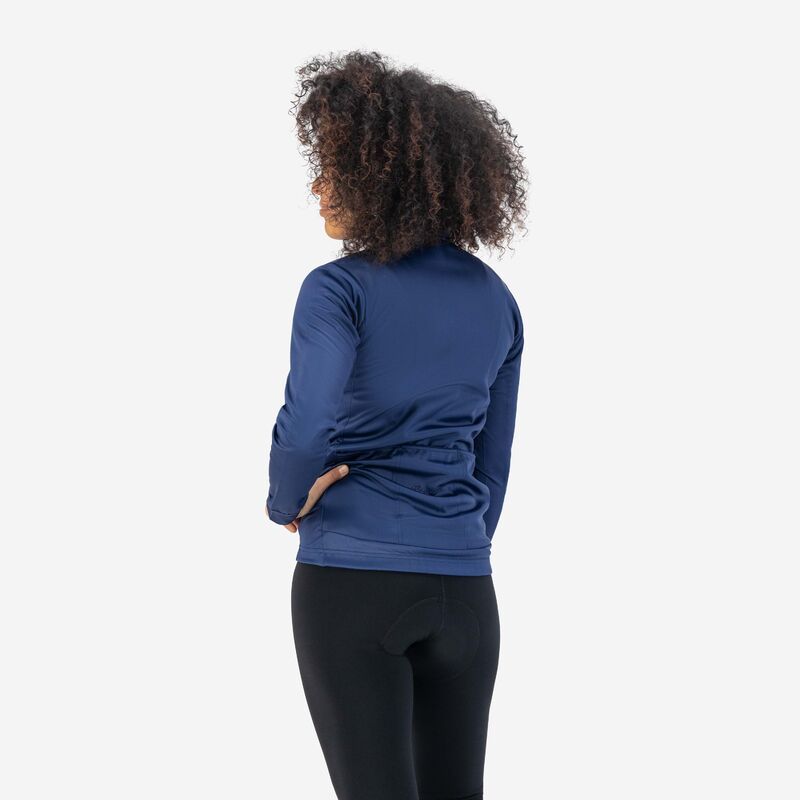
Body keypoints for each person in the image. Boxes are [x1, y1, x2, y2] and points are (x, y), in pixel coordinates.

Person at [265, 50, 527, 800]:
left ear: (383, 177)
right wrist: (454, 537)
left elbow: (309, 421)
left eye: (334, 167)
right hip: (468, 594)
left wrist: (286, 502)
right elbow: (492, 463)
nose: (318, 185)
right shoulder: (497, 299)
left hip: (353, 586)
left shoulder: (337, 290)